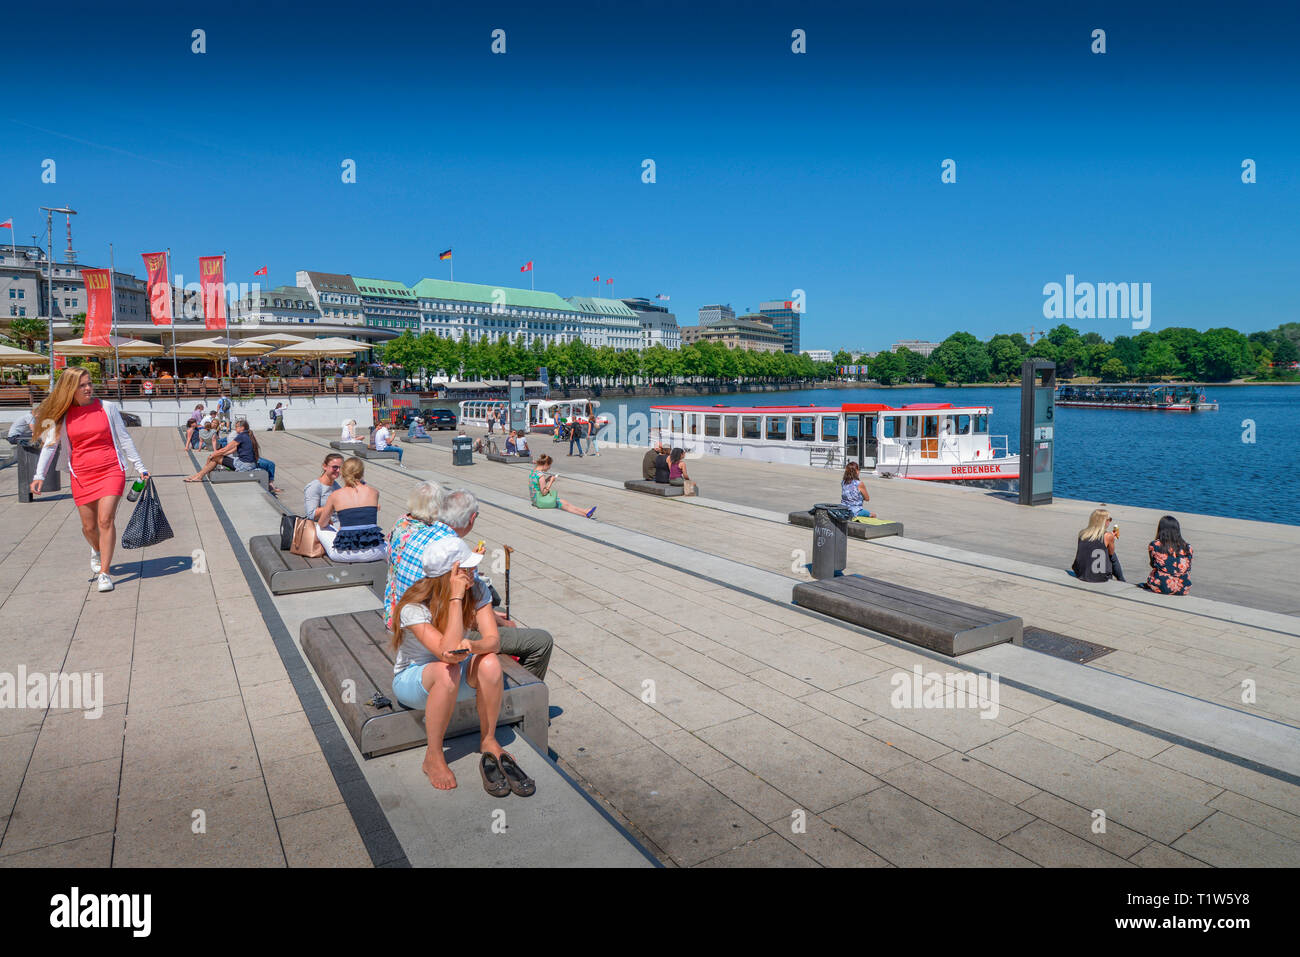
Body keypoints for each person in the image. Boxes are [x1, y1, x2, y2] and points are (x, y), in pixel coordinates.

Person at [389, 535, 534, 796]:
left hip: (454, 675)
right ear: (449, 575)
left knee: (489, 663)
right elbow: (447, 653)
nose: (473, 572)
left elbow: (493, 641)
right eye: (466, 569)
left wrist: (474, 647)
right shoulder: (414, 607)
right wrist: (455, 599)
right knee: (448, 670)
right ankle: (433, 756)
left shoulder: (477, 589)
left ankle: (488, 739)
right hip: (415, 682)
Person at [29, 368, 149, 593]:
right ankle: (97, 549)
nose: (87, 388)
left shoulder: (107, 408)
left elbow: (124, 439)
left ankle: (105, 572)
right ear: (69, 390)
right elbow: (50, 445)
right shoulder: (63, 415)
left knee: (105, 521)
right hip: (81, 475)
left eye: (89, 383)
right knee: (89, 526)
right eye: (81, 385)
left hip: (112, 470)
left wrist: (140, 467)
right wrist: (39, 476)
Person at [439, 489, 554, 681]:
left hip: (432, 622)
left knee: (496, 607)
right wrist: (503, 623)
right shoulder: (455, 549)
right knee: (542, 640)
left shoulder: (434, 538)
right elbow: (465, 606)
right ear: (472, 518)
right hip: (449, 633)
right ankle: (519, 694)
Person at [316, 457, 387, 563]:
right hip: (376, 551)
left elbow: (322, 524)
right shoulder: (374, 492)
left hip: (345, 553)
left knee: (318, 527)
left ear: (342, 473)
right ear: (362, 472)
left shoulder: (335, 495)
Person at [1139, 515, 1193, 595]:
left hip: (1162, 586)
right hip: (1183, 587)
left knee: (1156, 571)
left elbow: (1153, 564)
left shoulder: (1155, 545)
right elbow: (1188, 568)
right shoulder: (1188, 547)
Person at [529, 454, 596, 517]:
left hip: (534, 499)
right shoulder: (541, 475)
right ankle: (585, 514)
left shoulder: (534, 472)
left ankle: (585, 511)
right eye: (549, 466)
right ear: (546, 464)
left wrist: (546, 480)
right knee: (564, 504)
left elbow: (537, 485)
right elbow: (544, 492)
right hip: (540, 500)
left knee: (564, 502)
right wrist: (551, 482)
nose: (549, 468)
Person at [1071, 507, 1125, 582]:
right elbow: (1111, 553)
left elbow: (1094, 544)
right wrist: (1111, 538)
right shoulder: (1108, 536)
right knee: (1113, 556)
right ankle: (1122, 580)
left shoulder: (1082, 534)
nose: (1110, 521)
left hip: (1081, 573)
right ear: (1104, 521)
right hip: (1100, 577)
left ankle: (1121, 580)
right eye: (1109, 519)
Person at [304, 453, 344, 520]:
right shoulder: (314, 487)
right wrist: (333, 505)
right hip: (322, 527)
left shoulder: (336, 486)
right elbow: (311, 515)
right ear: (324, 466)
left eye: (341, 467)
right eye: (335, 467)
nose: (338, 470)